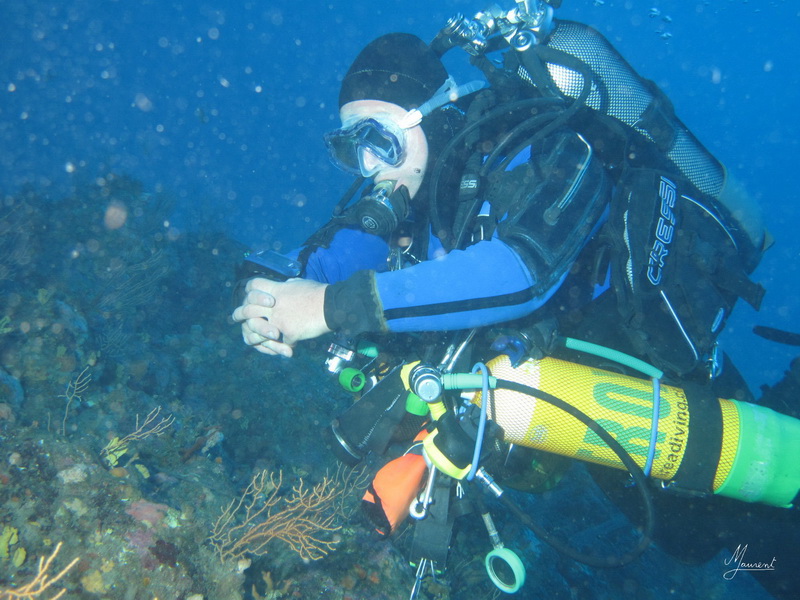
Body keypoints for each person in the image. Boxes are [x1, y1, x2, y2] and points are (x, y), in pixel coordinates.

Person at [232, 2, 796, 596]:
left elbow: (521, 272)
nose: (371, 167)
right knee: (691, 541)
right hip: (566, 402)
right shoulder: (423, 193)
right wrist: (272, 292)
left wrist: (328, 307)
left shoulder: (553, 147)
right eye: (352, 149)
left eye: (380, 141)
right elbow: (338, 254)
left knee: (762, 528)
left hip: (654, 369)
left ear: (435, 113)